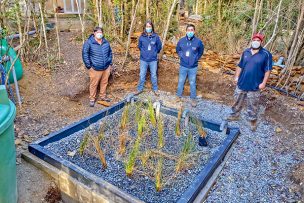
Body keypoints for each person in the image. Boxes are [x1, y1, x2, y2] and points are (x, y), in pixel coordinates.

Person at [227, 33, 272, 131]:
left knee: (253, 104)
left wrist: (263, 83)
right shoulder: (246, 52)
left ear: (261, 42)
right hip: (242, 82)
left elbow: (267, 70)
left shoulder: (266, 54)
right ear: (252, 40)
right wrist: (236, 77)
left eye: (258, 40)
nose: (256, 42)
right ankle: (235, 115)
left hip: (255, 85)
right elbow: (240, 66)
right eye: (254, 40)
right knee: (237, 101)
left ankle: (252, 121)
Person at [82, 26, 113, 107]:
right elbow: (85, 54)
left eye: (101, 32)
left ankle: (102, 96)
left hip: (106, 67)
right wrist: (89, 66)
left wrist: (110, 63)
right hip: (95, 68)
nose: (99, 34)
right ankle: (92, 99)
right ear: (94, 33)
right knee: (94, 84)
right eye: (98, 32)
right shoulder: (89, 42)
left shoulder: (106, 42)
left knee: (104, 82)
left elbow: (110, 53)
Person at [176, 24, 204, 107]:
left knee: (192, 83)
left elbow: (201, 52)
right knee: (181, 81)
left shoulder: (198, 42)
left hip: (193, 67)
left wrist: (195, 58)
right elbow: (178, 49)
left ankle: (193, 99)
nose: (190, 32)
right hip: (183, 66)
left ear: (194, 31)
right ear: (186, 31)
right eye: (188, 30)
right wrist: (182, 56)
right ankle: (178, 96)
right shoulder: (181, 41)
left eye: (192, 30)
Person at [136, 20, 162, 96]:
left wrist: (154, 53)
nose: (148, 28)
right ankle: (139, 89)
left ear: (152, 27)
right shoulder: (141, 37)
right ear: (145, 27)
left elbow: (159, 46)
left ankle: (155, 89)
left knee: (153, 75)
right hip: (143, 60)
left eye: (149, 26)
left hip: (153, 60)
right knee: (142, 74)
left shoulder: (156, 37)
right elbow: (139, 47)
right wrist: (145, 53)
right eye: (147, 26)